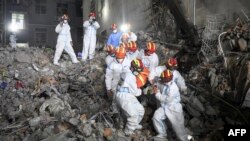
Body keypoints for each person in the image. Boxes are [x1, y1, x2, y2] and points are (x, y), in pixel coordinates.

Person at [152, 69, 188, 141]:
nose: (161, 79)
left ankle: (185, 139)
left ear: (166, 79)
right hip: (165, 106)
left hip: (174, 108)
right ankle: (162, 135)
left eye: (162, 79)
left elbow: (166, 99)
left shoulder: (173, 88)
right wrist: (155, 86)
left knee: (178, 126)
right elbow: (157, 83)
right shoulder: (163, 82)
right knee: (156, 117)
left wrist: (157, 93)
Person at [115, 59, 145, 136]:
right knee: (133, 115)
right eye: (138, 70)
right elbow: (136, 92)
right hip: (123, 96)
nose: (138, 72)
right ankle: (127, 132)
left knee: (141, 110)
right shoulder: (131, 76)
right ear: (133, 68)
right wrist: (143, 91)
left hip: (127, 95)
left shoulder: (126, 71)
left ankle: (134, 125)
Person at [105, 46, 131, 111]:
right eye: (118, 57)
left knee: (126, 99)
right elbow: (108, 77)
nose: (120, 59)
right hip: (115, 84)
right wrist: (108, 89)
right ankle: (115, 112)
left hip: (126, 84)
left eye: (121, 57)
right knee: (115, 99)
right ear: (116, 55)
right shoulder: (112, 65)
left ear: (124, 55)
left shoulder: (128, 62)